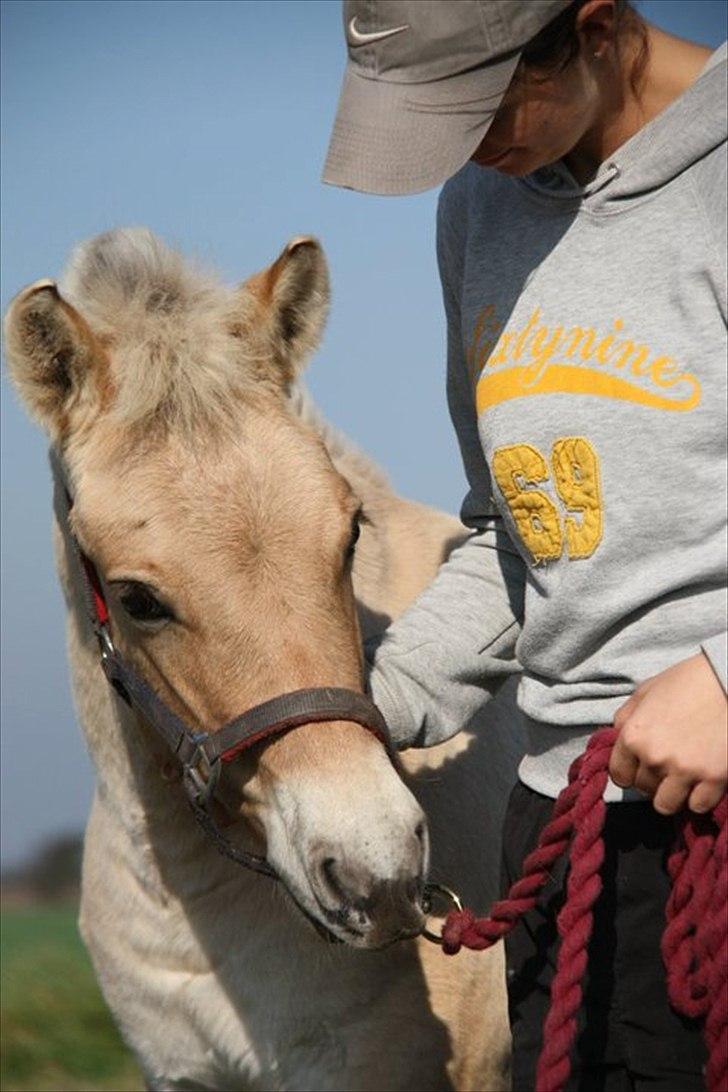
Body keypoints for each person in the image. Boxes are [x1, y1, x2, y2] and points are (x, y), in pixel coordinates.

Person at [323, 1, 727, 1088]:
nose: (464, 148)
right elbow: (516, 531)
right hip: (559, 836)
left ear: (595, 29)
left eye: (482, 106)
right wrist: (369, 703)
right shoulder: (477, 206)